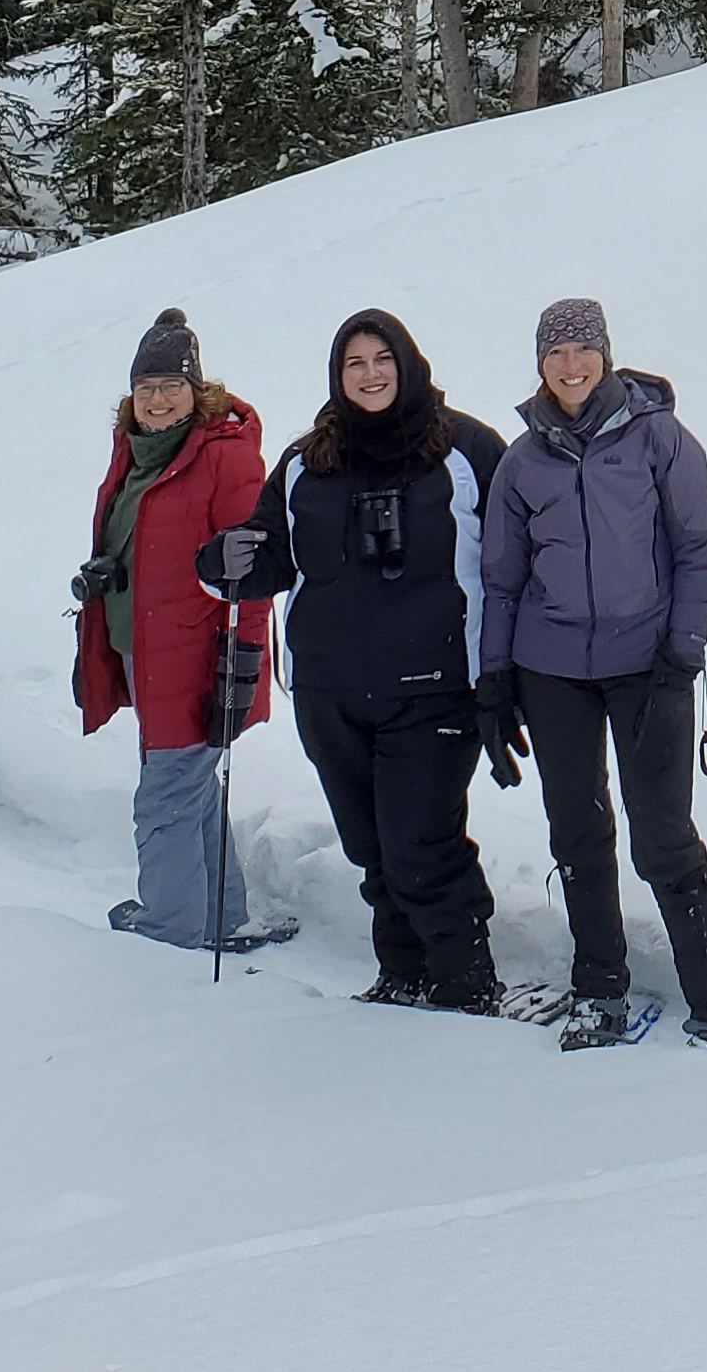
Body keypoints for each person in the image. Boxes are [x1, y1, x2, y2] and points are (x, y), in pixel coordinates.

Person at [200, 312, 514, 1012]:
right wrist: (220, 563)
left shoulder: (467, 449)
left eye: (382, 360)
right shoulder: (308, 460)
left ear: (407, 363)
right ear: (337, 376)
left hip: (436, 687)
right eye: (354, 364)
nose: (370, 375)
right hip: (330, 690)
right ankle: (402, 974)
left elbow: (516, 565)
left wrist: (508, 678)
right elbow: (263, 558)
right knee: (372, 848)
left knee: (420, 846)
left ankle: (466, 982)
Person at [475, 296, 707, 1051]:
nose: (571, 366)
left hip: (649, 665)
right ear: (539, 363)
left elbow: (699, 548)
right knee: (577, 831)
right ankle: (600, 989)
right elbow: (502, 577)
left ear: (606, 355)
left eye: (583, 351)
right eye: (556, 353)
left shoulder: (659, 439)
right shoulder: (522, 459)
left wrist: (684, 646)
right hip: (551, 668)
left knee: (662, 835)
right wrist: (494, 679)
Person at [73, 308, 283, 953]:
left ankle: (171, 936)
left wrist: (242, 665)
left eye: (170, 387)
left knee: (164, 801)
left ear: (197, 392)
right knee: (189, 791)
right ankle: (221, 916)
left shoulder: (224, 458)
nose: (157, 400)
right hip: (143, 651)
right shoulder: (135, 454)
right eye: (146, 389)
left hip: (197, 660)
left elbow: (254, 572)